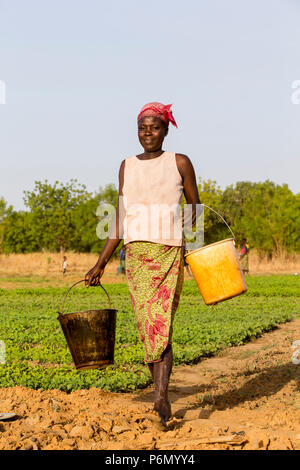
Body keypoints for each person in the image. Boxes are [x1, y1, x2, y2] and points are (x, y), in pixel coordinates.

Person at [85, 102, 200, 426]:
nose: (148, 133)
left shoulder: (179, 162)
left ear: (165, 130)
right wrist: (101, 262)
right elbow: (120, 216)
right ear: (137, 131)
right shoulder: (126, 166)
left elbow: (195, 208)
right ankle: (160, 393)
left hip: (168, 252)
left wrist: (196, 249)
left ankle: (160, 398)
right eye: (142, 127)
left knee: (160, 326)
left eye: (154, 127)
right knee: (148, 328)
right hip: (136, 257)